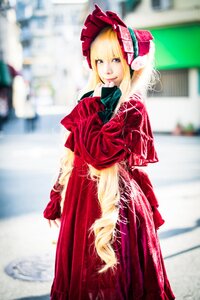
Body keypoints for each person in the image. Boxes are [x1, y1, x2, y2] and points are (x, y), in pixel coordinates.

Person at [43, 5, 175, 300]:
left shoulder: (132, 106)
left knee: (116, 272)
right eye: (99, 60)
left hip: (116, 205)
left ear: (130, 62)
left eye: (115, 59)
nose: (107, 68)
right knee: (83, 276)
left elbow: (101, 153)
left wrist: (88, 107)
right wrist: (55, 198)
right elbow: (72, 154)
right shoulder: (89, 99)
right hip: (80, 203)